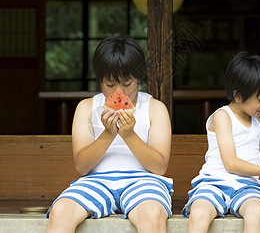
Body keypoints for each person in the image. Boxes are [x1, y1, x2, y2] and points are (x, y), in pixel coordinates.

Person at [46, 35, 173, 233]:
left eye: (127, 83)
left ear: (139, 78)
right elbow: (82, 166)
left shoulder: (155, 109)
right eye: (110, 84)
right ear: (99, 80)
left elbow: (159, 166)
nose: (119, 92)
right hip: (96, 180)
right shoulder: (86, 108)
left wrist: (129, 135)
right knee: (60, 210)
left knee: (152, 214)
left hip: (144, 181)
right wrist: (107, 133)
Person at [182, 51, 260, 233]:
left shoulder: (259, 123)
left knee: (256, 211)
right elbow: (231, 163)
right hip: (214, 183)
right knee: (199, 213)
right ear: (238, 95)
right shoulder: (222, 116)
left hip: (247, 186)